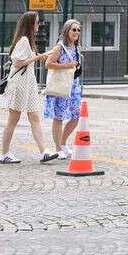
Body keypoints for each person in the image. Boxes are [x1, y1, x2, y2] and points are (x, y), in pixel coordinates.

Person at [0, 11, 56, 164]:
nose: (39, 24)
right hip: (20, 83)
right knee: (13, 119)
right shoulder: (23, 40)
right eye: (37, 22)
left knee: (34, 117)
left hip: (28, 83)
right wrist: (38, 57)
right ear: (30, 24)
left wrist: (38, 56)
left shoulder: (28, 40)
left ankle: (44, 151)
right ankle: (4, 153)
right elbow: (17, 62)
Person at [44, 19, 85, 158]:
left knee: (75, 116)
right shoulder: (59, 47)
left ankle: (62, 143)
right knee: (59, 117)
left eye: (78, 30)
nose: (76, 32)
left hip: (74, 86)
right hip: (61, 86)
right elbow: (48, 64)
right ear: (67, 30)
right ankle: (58, 149)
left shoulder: (77, 47)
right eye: (74, 29)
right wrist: (67, 65)